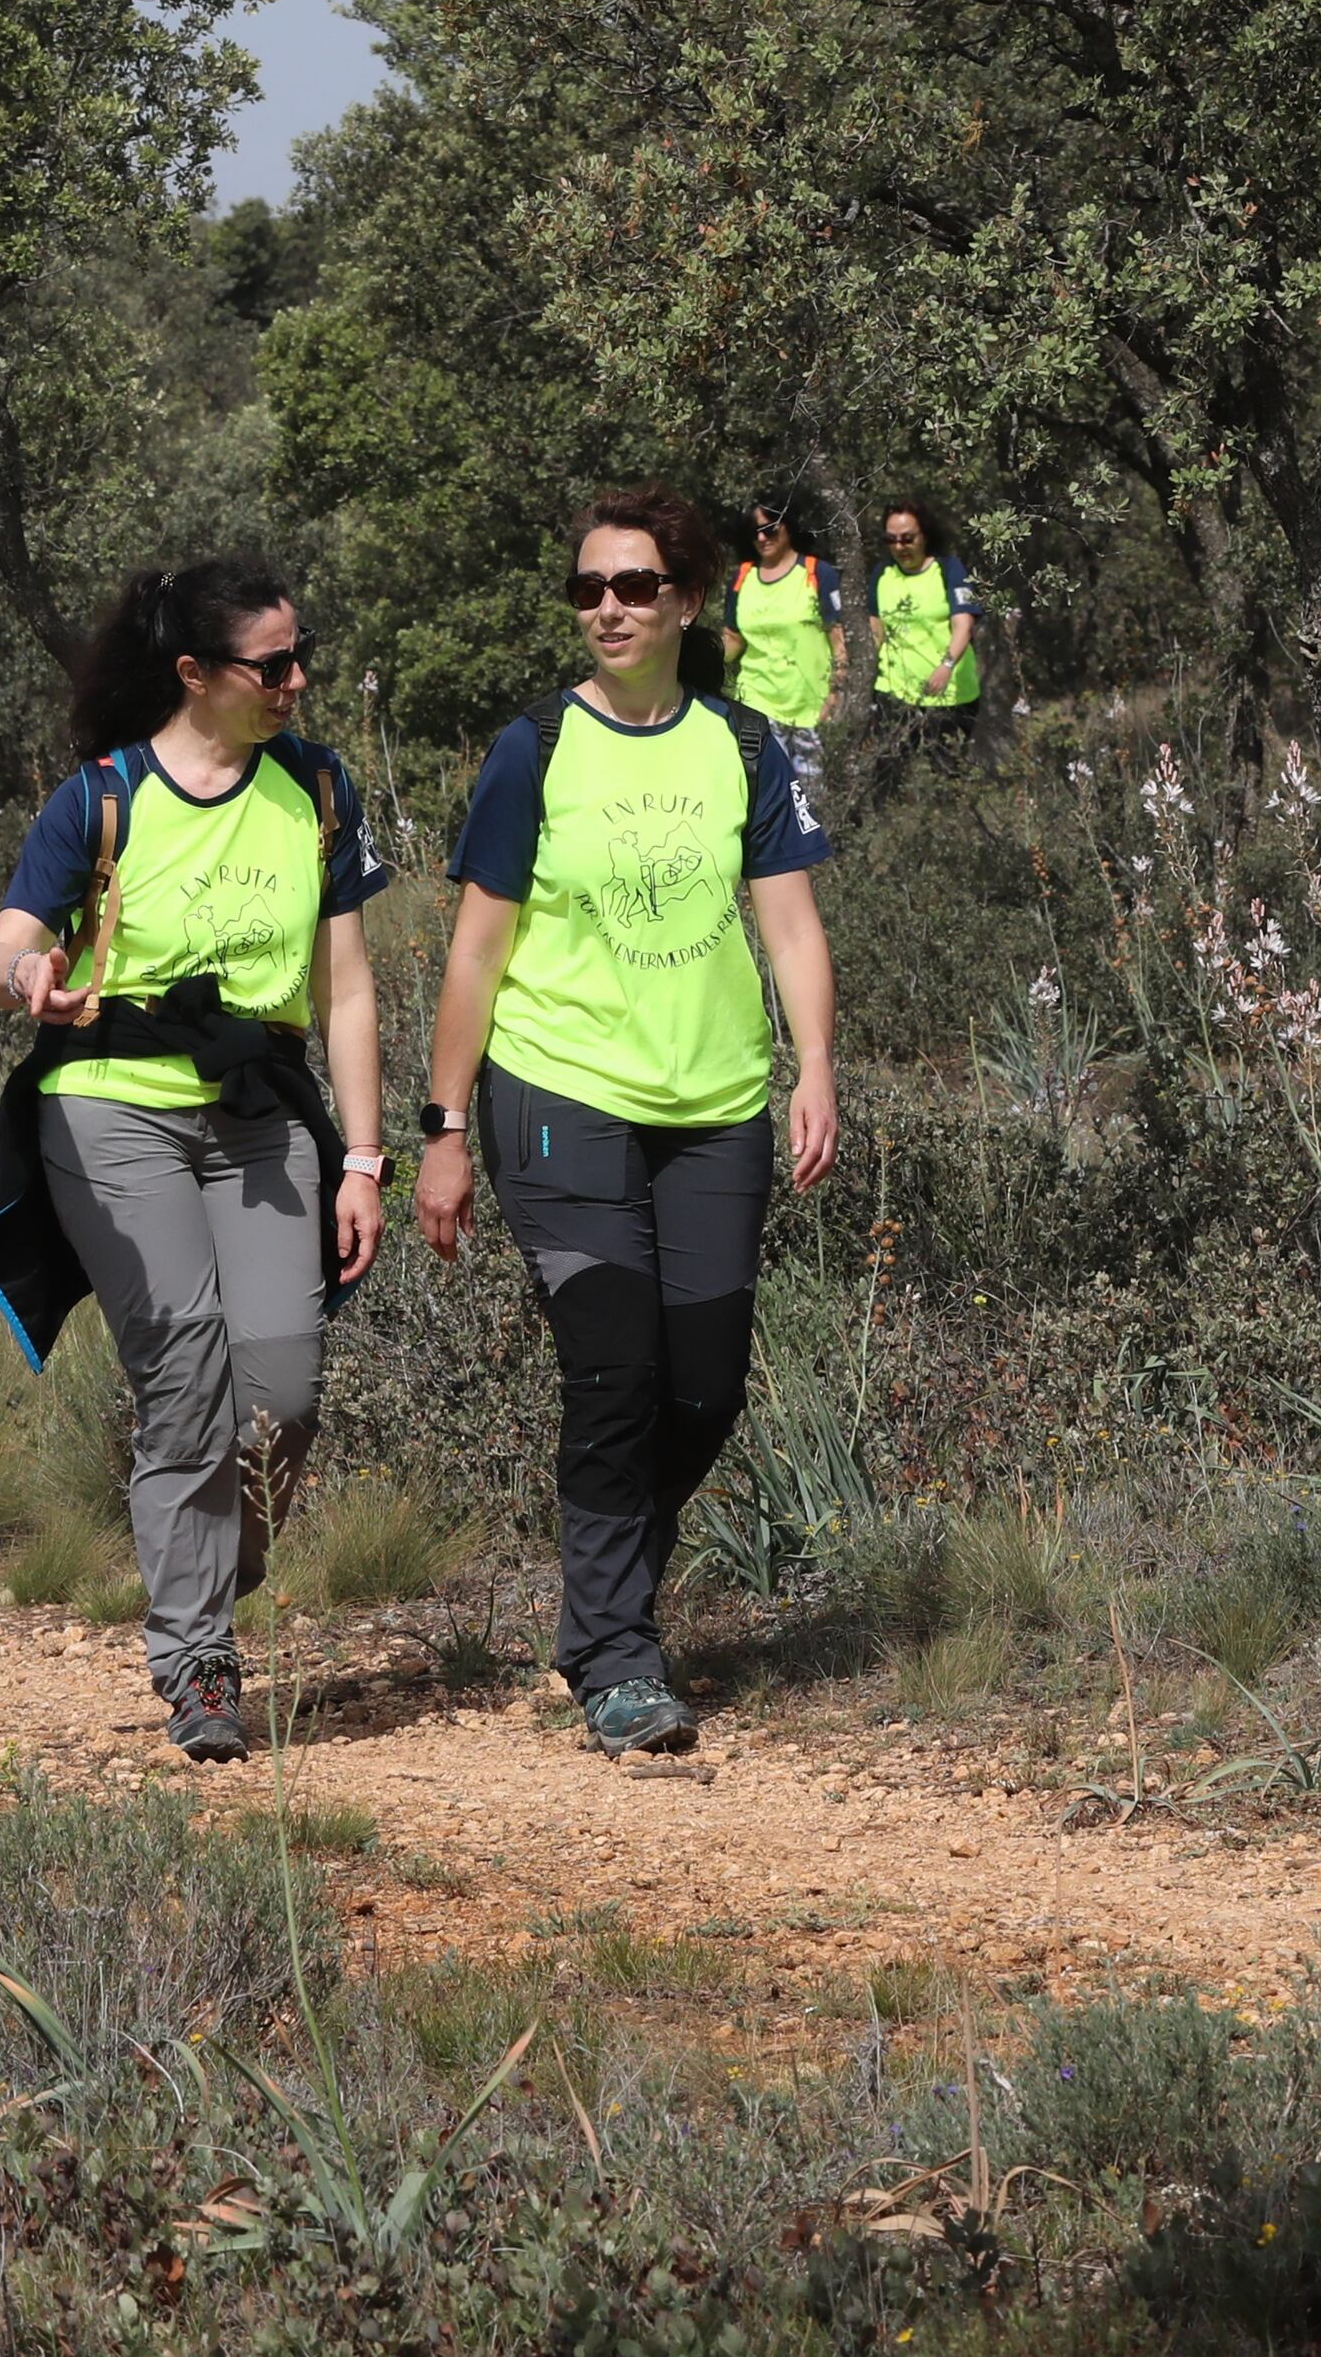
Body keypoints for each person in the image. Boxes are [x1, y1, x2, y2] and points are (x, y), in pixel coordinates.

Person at [413, 485, 838, 1757]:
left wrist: (813, 1066)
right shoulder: (531, 750)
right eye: (588, 587)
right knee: (616, 1371)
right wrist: (440, 1126)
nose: (607, 607)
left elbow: (793, 923)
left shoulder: (747, 747)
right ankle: (615, 1652)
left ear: (686, 602)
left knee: (701, 1392)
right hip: (558, 1097)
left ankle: (600, 1613)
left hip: (715, 1106)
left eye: (634, 586)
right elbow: (474, 956)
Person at [0, 557, 387, 1763]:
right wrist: (26, 979)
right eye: (275, 664)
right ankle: (196, 1660)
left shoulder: (313, 787)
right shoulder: (99, 798)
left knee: (285, 1387)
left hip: (258, 1109)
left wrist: (363, 1160)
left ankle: (210, 1562)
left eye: (302, 653)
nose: (298, 679)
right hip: (110, 1106)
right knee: (185, 1368)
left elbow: (345, 988)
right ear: (194, 675)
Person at [863, 497, 982, 772]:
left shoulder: (948, 570)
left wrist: (946, 666)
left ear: (924, 535)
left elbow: (964, 624)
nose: (900, 547)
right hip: (894, 694)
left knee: (946, 774)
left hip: (949, 696)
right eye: (891, 540)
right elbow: (875, 629)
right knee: (889, 775)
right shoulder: (883, 574)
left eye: (907, 538)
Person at [721, 499, 844, 747]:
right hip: (755, 704)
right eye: (754, 533)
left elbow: (840, 641)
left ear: (788, 526)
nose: (763, 539)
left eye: (770, 529)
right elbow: (732, 640)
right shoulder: (743, 577)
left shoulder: (818, 573)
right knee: (761, 784)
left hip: (811, 707)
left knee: (810, 786)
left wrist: (836, 693)